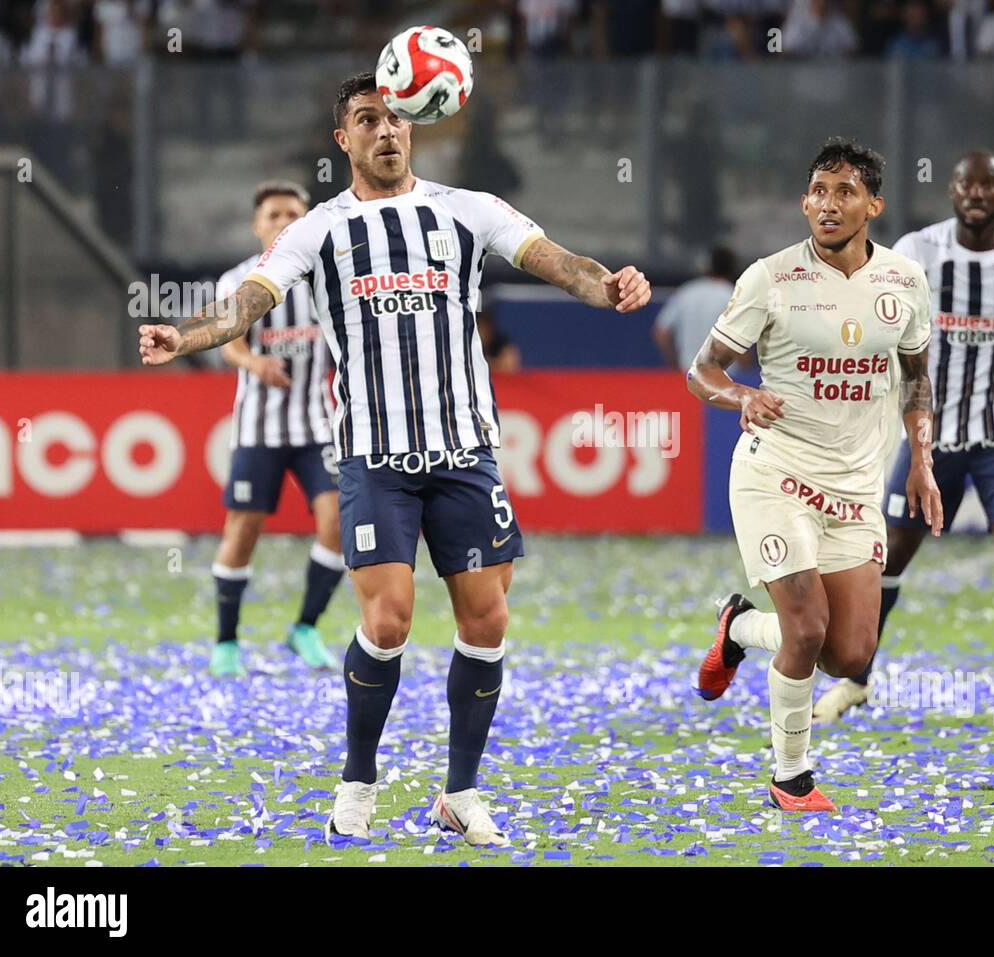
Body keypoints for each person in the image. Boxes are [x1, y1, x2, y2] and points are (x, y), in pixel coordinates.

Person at [138, 72, 651, 846]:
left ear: (417, 126)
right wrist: (186, 335)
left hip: (465, 450)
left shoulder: (466, 210)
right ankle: (358, 777)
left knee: (487, 619)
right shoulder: (320, 228)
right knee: (388, 618)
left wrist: (606, 285)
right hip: (374, 456)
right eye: (368, 120)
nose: (387, 131)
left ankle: (460, 792)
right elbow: (250, 298)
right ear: (343, 139)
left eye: (398, 118)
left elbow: (553, 257)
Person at [689, 137, 941, 812]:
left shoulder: (905, 282)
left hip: (856, 490)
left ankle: (738, 627)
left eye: (845, 192)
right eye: (819, 193)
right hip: (777, 475)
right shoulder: (770, 278)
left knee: (849, 653)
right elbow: (702, 369)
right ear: (804, 201)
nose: (829, 205)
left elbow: (918, 379)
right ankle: (791, 777)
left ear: (873, 205)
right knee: (804, 629)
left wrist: (921, 460)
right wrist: (743, 396)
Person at [812, 151, 994, 728]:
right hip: (928, 439)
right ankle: (855, 682)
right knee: (889, 556)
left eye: (989, 183)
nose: (976, 193)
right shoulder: (918, 252)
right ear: (951, 191)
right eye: (967, 183)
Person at [207, 181, 343, 678]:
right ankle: (226, 643)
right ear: (257, 225)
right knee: (242, 531)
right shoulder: (238, 281)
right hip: (258, 429)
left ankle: (305, 627)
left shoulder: (329, 280)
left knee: (339, 524)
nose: (283, 222)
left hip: (317, 427)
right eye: (273, 215)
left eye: (293, 214)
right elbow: (228, 343)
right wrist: (253, 363)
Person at [653, 246, 738, 370]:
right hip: (726, 377)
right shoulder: (732, 296)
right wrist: (746, 367)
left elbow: (661, 332)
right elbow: (737, 337)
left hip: (688, 373)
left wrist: (674, 363)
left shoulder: (687, 292)